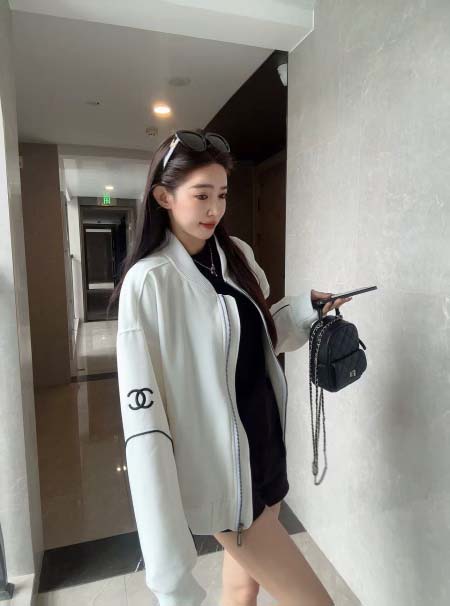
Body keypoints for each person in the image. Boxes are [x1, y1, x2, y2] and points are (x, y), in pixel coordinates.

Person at [108, 129, 351, 606]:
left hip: (264, 447)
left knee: (242, 589)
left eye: (221, 195)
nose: (214, 209)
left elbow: (258, 342)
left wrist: (307, 309)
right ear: (163, 197)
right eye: (201, 195)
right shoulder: (150, 282)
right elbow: (144, 417)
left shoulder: (235, 255)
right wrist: (166, 558)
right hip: (220, 475)